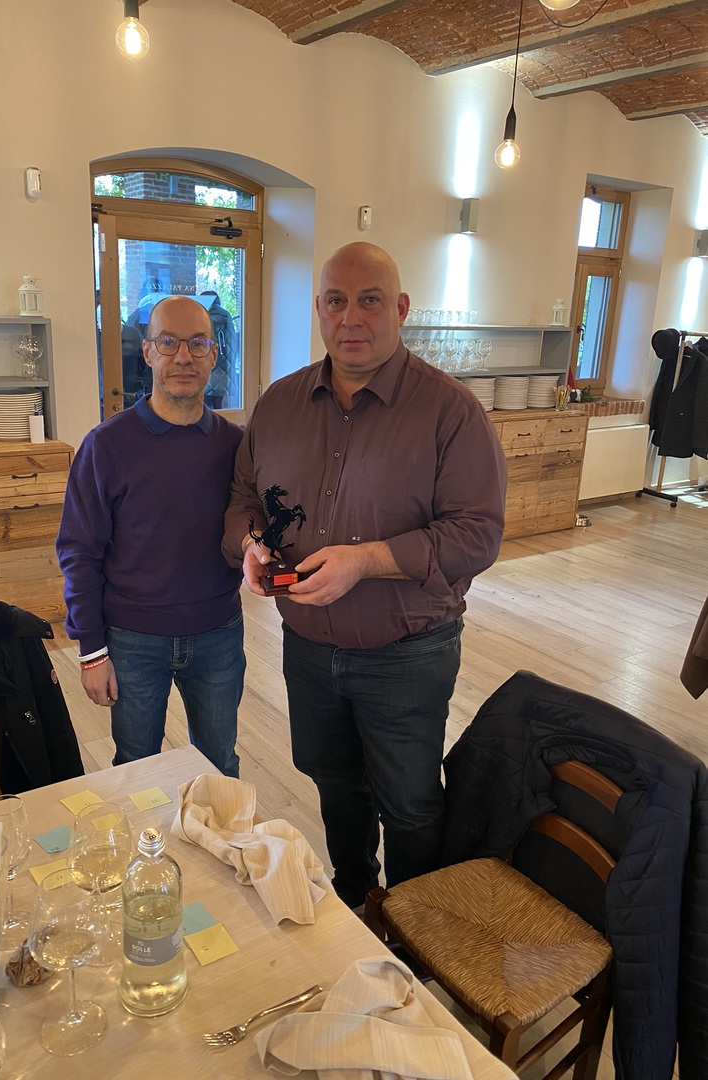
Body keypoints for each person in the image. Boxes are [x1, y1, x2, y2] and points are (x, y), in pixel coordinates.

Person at [223, 242, 507, 907]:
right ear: (319, 310)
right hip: (307, 648)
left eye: (369, 300)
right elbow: (243, 499)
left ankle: (414, 927)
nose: (351, 317)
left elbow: (478, 534)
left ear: (400, 308)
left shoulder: (451, 412)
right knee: (334, 783)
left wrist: (367, 560)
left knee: (409, 803)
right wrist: (250, 545)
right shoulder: (279, 405)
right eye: (336, 301)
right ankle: (356, 901)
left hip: (407, 653)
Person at [57, 296, 245, 776]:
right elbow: (79, 552)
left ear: (214, 353)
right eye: (168, 342)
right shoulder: (106, 446)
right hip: (132, 639)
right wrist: (91, 650)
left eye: (197, 343)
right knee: (135, 771)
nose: (183, 356)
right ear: (147, 352)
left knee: (220, 766)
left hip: (218, 633)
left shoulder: (235, 445)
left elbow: (253, 522)